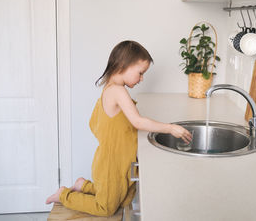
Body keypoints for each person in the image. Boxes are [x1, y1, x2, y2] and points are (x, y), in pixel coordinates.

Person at [45, 40, 192, 216]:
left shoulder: (114, 88)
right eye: (140, 73)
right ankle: (64, 194)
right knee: (106, 208)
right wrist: (170, 128)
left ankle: (82, 185)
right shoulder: (117, 91)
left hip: (121, 159)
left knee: (124, 199)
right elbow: (137, 121)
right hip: (111, 163)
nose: (142, 78)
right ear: (125, 65)